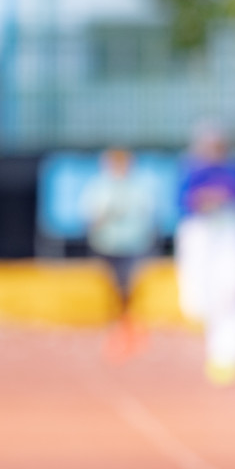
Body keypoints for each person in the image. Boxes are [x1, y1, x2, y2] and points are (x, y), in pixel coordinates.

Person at [175, 127, 235, 387]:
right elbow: (186, 204)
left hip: (231, 234)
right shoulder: (190, 169)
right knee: (200, 301)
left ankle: (226, 354)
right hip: (202, 236)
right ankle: (217, 344)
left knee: (231, 292)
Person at [81, 148, 158, 360]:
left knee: (129, 284)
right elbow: (91, 216)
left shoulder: (139, 187)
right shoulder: (99, 186)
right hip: (107, 243)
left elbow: (149, 214)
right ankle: (117, 324)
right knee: (112, 285)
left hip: (133, 243)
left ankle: (128, 323)